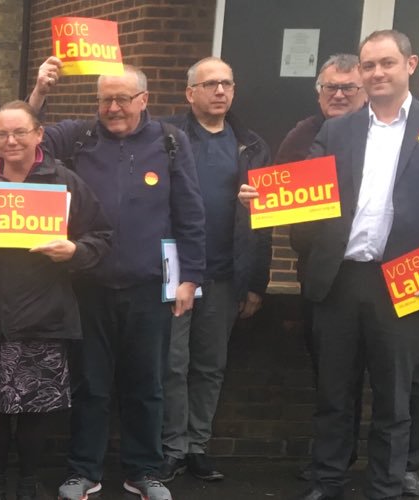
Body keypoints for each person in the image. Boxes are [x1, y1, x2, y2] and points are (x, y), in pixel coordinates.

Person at [268, 30, 419, 500]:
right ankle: (327, 481)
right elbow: (307, 182)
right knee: (333, 393)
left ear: (410, 64)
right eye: (368, 65)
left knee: (394, 396)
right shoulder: (339, 128)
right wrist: (268, 194)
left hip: (405, 280)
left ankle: (385, 485)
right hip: (339, 277)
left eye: (386, 63)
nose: (377, 72)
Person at [30, 61, 206, 500]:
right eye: (105, 99)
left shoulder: (169, 141)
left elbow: (190, 213)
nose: (112, 108)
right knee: (89, 383)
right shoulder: (78, 137)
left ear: (143, 100)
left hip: (150, 287)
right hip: (88, 283)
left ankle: (144, 471)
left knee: (147, 384)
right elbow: (27, 137)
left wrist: (191, 279)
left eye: (122, 99)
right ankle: (83, 471)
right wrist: (39, 90)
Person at [0, 101, 112, 500]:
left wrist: (74, 251)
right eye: (2, 133)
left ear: (39, 134)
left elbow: (102, 238)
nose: (10, 140)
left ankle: (28, 482)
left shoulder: (64, 181)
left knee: (37, 409)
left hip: (45, 313)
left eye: (20, 132)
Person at [157, 56, 272, 483]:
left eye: (226, 83)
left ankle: (197, 446)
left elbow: (267, 220)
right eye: (210, 85)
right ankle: (171, 447)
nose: (220, 91)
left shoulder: (253, 145)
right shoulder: (165, 136)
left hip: (225, 273)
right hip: (176, 270)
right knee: (172, 362)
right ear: (190, 94)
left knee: (210, 365)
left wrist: (257, 281)